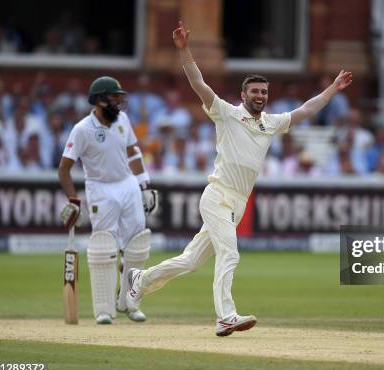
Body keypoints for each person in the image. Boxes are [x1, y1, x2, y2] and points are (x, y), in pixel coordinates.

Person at [125, 21, 353, 337]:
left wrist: (334, 88)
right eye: (255, 91)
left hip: (238, 202)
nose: (260, 96)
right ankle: (226, 316)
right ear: (243, 94)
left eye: (264, 92)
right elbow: (198, 83)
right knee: (230, 252)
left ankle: (142, 280)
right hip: (218, 194)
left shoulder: (271, 123)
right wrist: (184, 50)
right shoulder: (227, 113)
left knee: (191, 261)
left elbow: (306, 109)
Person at [58, 76, 159, 325]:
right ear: (100, 100)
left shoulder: (122, 120)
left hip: (127, 185)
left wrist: (144, 184)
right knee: (104, 248)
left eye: (119, 97)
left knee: (137, 246)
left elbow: (133, 151)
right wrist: (73, 199)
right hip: (100, 188)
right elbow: (64, 168)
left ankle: (130, 302)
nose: (119, 101)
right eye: (114, 97)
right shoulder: (82, 129)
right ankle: (103, 309)